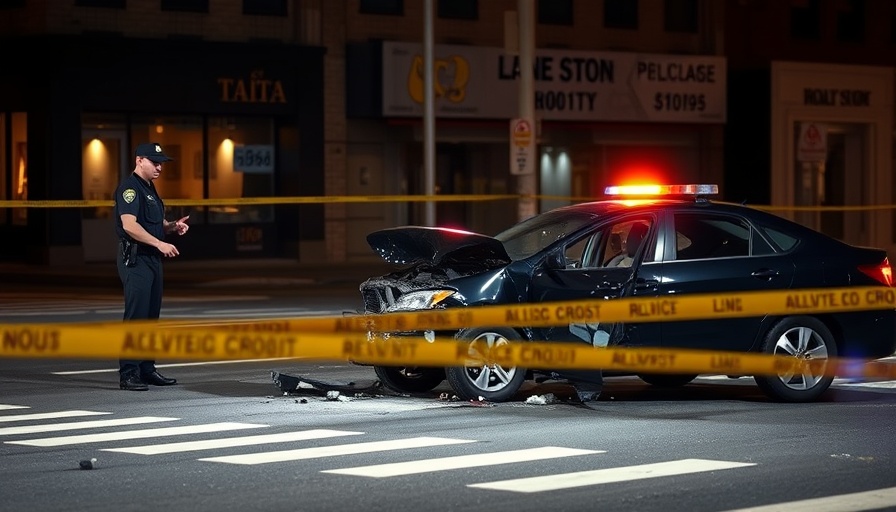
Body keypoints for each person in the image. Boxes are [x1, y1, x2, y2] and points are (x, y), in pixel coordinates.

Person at [113, 142, 190, 391]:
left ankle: (146, 369)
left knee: (150, 316)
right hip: (136, 259)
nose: (159, 167)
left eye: (161, 163)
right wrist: (159, 243)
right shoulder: (130, 188)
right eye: (154, 162)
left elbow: (151, 223)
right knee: (136, 317)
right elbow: (129, 225)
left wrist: (170, 227)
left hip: (152, 259)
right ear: (139, 160)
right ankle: (128, 374)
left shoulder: (149, 188)